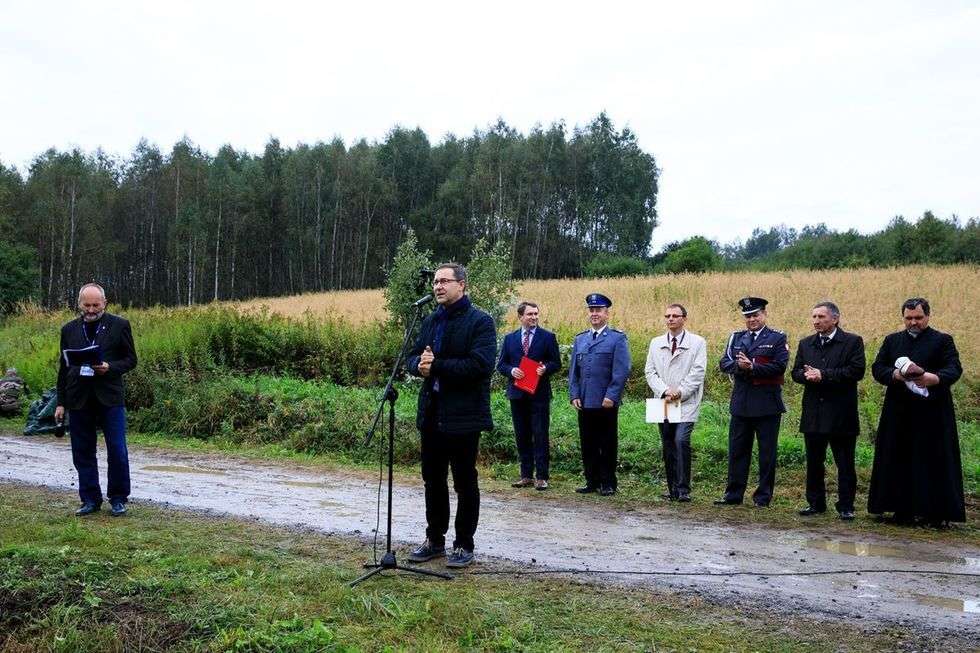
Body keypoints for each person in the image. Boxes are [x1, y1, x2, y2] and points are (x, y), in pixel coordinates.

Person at [405, 263, 496, 568]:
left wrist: (437, 365)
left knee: (464, 481)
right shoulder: (430, 320)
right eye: (435, 282)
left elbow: (480, 365)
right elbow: (412, 356)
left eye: (445, 281)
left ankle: (464, 544)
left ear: (462, 286)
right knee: (433, 480)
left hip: (464, 415)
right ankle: (434, 540)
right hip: (432, 412)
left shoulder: (480, 322)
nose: (438, 287)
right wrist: (418, 365)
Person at [868, 298, 965, 527]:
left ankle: (935, 514)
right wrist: (895, 375)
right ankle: (900, 510)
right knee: (897, 458)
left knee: (933, 460)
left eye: (918, 318)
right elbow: (878, 368)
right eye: (909, 318)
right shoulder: (892, 341)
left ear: (928, 317)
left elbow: (954, 368)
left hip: (933, 411)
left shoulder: (942, 341)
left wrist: (935, 378)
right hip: (899, 411)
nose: (913, 322)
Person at [55, 283, 138, 517]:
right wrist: (61, 402)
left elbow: (131, 360)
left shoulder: (120, 325)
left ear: (105, 303)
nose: (91, 310)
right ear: (79, 304)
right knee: (82, 451)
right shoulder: (68, 330)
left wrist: (109, 367)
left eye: (96, 305)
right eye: (87, 305)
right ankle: (90, 499)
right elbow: (63, 368)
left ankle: (119, 498)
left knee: (117, 449)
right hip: (78, 398)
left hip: (110, 396)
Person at [790, 301, 865, 521]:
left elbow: (856, 371)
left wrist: (824, 375)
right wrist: (806, 376)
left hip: (841, 413)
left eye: (821, 317)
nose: (816, 321)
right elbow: (795, 372)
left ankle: (846, 505)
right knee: (814, 461)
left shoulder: (852, 342)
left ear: (835, 318)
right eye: (814, 317)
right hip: (814, 412)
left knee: (844, 463)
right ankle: (815, 503)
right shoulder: (806, 343)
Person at [715, 297, 788, 508]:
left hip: (767, 405)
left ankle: (763, 497)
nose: (752, 319)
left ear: (764, 314)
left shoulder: (777, 338)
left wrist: (753, 367)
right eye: (748, 316)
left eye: (755, 315)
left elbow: (779, 366)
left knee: (767, 454)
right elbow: (725, 362)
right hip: (741, 403)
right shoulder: (736, 337)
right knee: (737, 451)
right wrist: (742, 367)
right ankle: (733, 495)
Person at [568, 293, 631, 496]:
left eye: (599, 310)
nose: (595, 314)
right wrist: (574, 394)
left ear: (607, 313)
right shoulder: (580, 339)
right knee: (588, 442)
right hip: (585, 400)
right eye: (592, 310)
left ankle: (608, 482)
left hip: (605, 401)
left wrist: (612, 395)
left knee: (606, 442)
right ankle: (591, 480)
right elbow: (573, 372)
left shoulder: (616, 338)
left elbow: (621, 370)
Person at [644, 303, 707, 502]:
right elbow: (650, 371)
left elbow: (698, 372)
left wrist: (680, 392)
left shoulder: (697, 342)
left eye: (675, 315)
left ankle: (683, 489)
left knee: (681, 440)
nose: (670, 319)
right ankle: (672, 489)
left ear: (684, 319)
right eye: (667, 316)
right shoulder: (656, 342)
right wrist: (664, 391)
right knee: (668, 443)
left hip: (686, 400)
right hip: (663, 400)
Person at [496, 301, 562, 491]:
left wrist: (545, 368)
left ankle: (541, 477)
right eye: (530, 314)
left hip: (539, 394)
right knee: (522, 435)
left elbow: (556, 363)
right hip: (517, 394)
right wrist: (512, 370)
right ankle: (526, 475)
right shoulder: (509, 339)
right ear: (520, 317)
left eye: (536, 314)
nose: (534, 317)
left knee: (540, 434)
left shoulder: (548, 337)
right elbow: (501, 365)